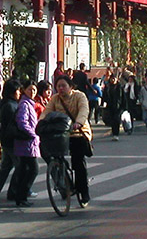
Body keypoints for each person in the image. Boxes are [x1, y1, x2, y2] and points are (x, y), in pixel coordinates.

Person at [42, 75, 93, 207]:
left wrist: (78, 123)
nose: (61, 88)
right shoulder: (55, 99)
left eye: (63, 85)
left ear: (71, 86)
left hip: (78, 132)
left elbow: (84, 110)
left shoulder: (79, 96)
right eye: (58, 86)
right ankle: (67, 185)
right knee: (51, 154)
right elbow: (46, 112)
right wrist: (40, 123)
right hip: (62, 134)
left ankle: (84, 192)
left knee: (78, 163)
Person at [10, 81, 40, 208]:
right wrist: (33, 134)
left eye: (34, 89)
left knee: (23, 170)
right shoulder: (24, 104)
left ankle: (20, 196)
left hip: (28, 142)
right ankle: (22, 195)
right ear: (24, 90)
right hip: (27, 142)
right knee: (33, 169)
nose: (32, 92)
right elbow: (22, 122)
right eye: (29, 89)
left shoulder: (29, 104)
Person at [0, 79, 22, 200]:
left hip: (6, 140)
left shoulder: (6, 104)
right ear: (12, 92)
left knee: (6, 166)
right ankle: (14, 192)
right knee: (20, 166)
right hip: (12, 141)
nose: (19, 93)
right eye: (18, 90)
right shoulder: (11, 106)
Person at [104, 71, 126, 141]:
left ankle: (116, 134)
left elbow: (123, 97)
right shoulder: (108, 87)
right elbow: (104, 96)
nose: (113, 80)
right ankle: (114, 133)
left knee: (116, 120)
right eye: (111, 79)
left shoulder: (120, 87)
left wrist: (124, 107)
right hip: (110, 106)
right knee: (112, 120)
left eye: (114, 79)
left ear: (116, 80)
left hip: (118, 107)